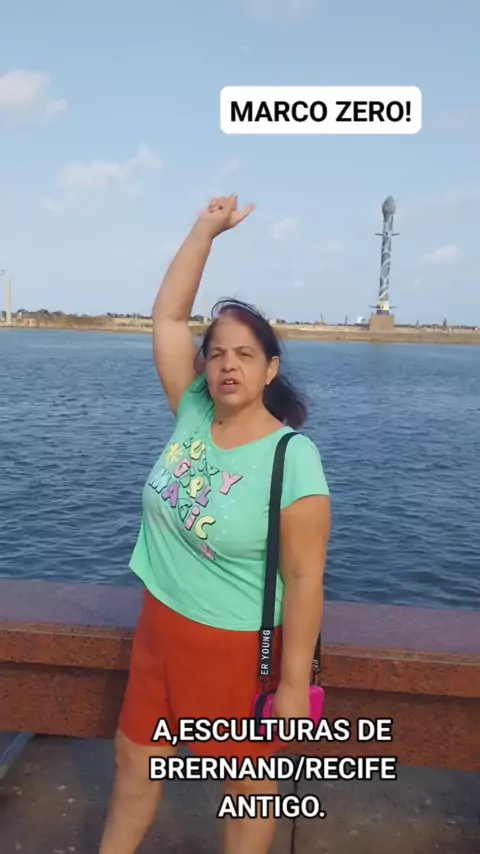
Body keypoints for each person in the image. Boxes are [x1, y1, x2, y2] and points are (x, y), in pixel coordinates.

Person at [99, 195, 331, 854]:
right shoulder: (194, 413)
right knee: (133, 764)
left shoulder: (292, 458)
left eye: (246, 355)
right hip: (158, 630)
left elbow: (305, 580)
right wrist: (205, 231)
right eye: (218, 353)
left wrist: (293, 687)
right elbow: (170, 317)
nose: (229, 364)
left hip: (236, 653)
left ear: (270, 369)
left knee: (246, 790)